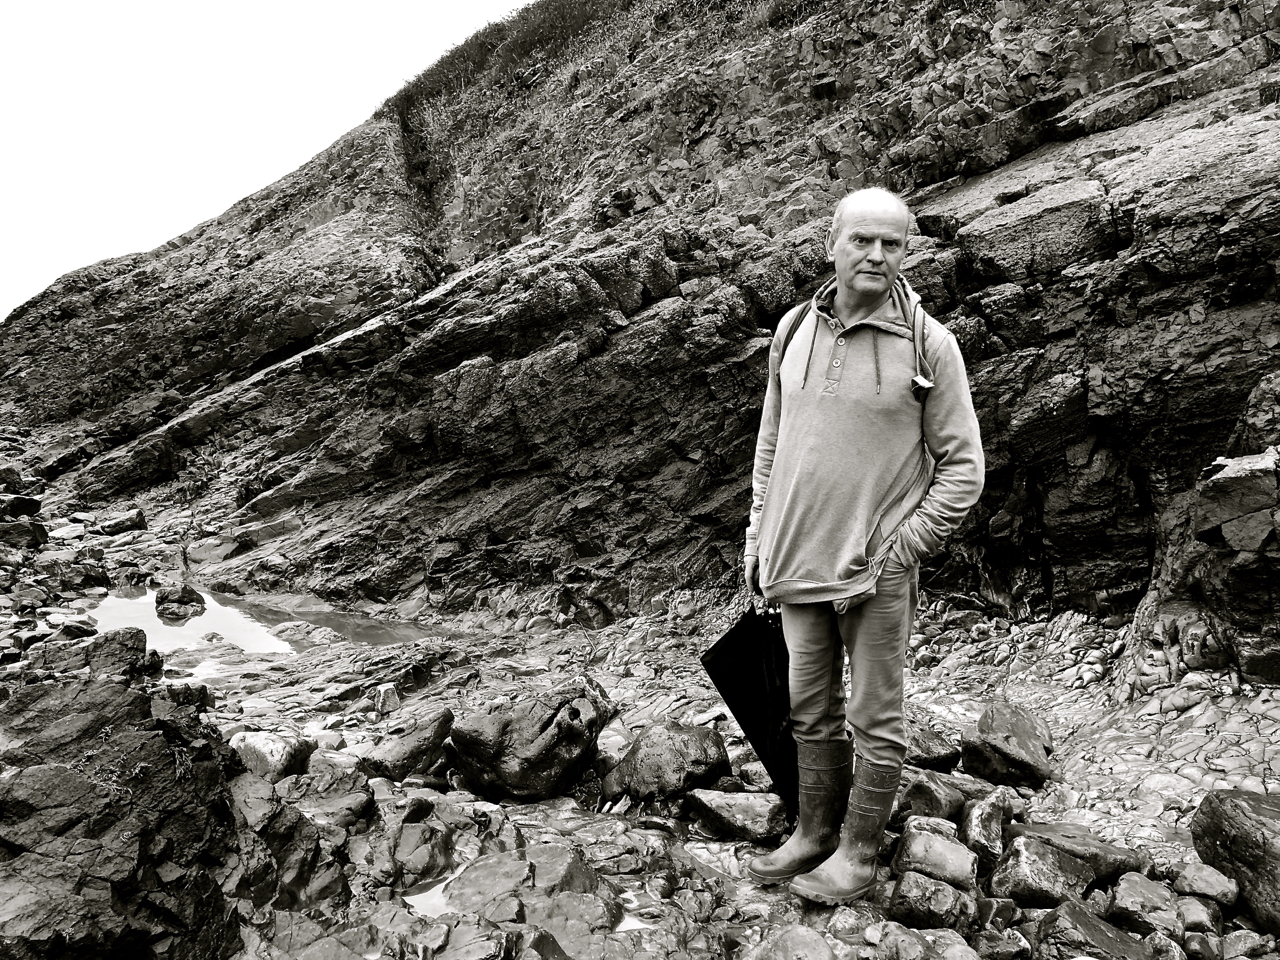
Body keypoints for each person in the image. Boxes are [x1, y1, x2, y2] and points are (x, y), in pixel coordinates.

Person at [742, 187, 984, 905]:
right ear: (832, 245)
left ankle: (858, 852)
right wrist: (758, 535)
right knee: (807, 707)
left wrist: (903, 548)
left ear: (906, 252)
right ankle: (814, 831)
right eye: (862, 240)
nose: (876, 255)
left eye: (891, 243)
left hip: (875, 571)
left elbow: (965, 468)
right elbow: (772, 443)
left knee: (875, 718)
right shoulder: (792, 329)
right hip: (795, 558)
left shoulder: (930, 345)